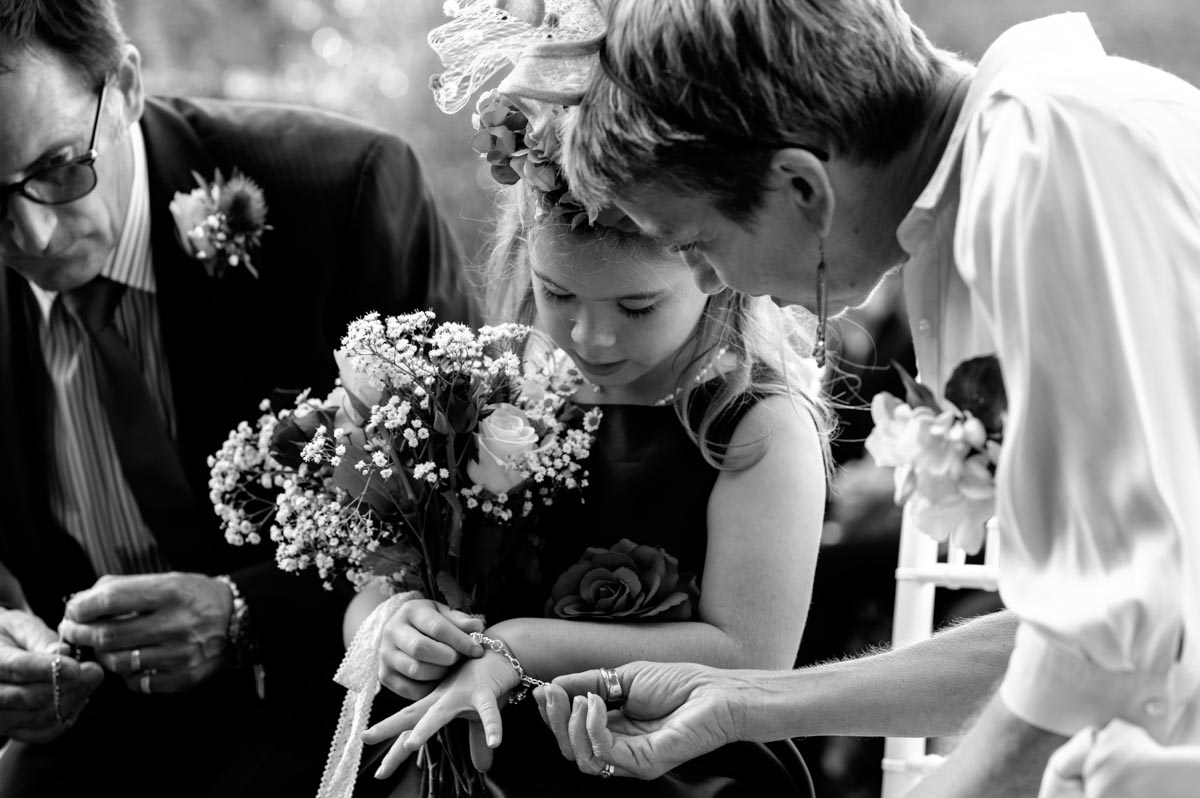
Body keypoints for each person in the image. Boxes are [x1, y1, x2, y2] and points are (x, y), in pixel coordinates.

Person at [534, 1, 1200, 795]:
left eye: (695, 243)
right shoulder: (997, 181)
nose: (710, 283)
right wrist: (746, 700)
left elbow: (1116, 640)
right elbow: (1079, 626)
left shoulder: (1047, 163)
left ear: (800, 187)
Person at [0, 1, 474, 795]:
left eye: (57, 169)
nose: (32, 239)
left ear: (125, 85)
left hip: (342, 693)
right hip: (101, 720)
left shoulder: (345, 195)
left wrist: (241, 613)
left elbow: (466, 512)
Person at [338, 73, 834, 793]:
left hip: (674, 770)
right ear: (523, 260)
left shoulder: (753, 425)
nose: (592, 336)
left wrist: (517, 646)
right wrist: (392, 630)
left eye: (636, 306)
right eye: (559, 294)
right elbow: (376, 581)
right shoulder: (479, 388)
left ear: (713, 268)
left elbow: (750, 653)